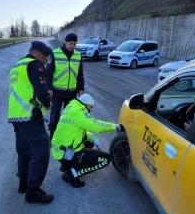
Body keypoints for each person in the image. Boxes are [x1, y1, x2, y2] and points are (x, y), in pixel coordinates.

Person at [8, 41, 54, 204]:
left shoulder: (17, 66)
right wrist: (48, 104)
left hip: (16, 117)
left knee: (24, 152)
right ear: (39, 54)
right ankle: (33, 191)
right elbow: (41, 90)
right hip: (30, 116)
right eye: (46, 57)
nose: (47, 61)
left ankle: (23, 185)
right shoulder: (35, 65)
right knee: (41, 154)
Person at [51, 94, 124, 188]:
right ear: (87, 104)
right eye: (91, 107)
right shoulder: (78, 111)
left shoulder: (71, 107)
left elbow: (79, 130)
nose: (90, 110)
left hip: (60, 151)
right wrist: (115, 126)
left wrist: (94, 138)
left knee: (89, 142)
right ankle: (71, 174)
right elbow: (96, 125)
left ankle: (66, 166)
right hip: (67, 153)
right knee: (105, 159)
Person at [46, 33, 85, 140]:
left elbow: (80, 74)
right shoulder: (55, 54)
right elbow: (48, 73)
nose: (72, 46)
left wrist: (80, 88)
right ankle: (53, 139)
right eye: (70, 43)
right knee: (55, 116)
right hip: (57, 92)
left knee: (70, 117)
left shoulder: (78, 55)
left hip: (71, 92)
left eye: (74, 44)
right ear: (65, 42)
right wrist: (49, 88)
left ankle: (66, 138)